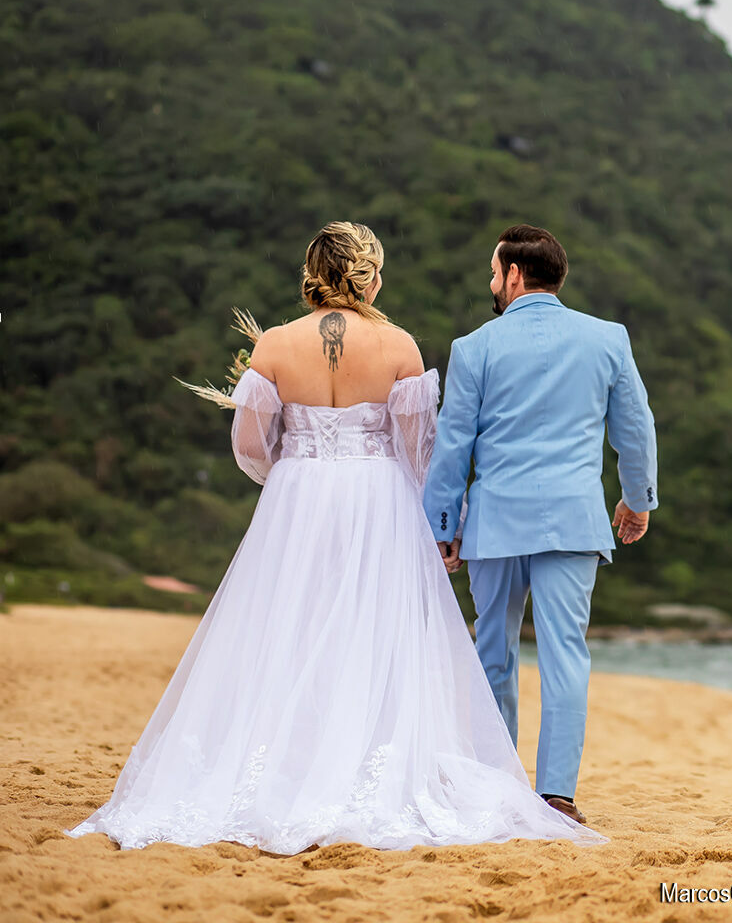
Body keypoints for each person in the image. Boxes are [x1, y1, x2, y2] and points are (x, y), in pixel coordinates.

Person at [66, 221, 605, 853]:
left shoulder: (272, 348)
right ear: (368, 274)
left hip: (298, 501)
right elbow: (422, 453)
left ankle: (288, 759)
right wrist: (437, 521)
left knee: (291, 625)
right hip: (378, 499)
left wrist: (293, 473)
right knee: (374, 631)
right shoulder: (400, 347)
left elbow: (248, 447)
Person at [425, 223, 657, 826]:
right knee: (565, 657)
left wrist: (443, 523)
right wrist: (638, 501)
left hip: (496, 522)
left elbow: (454, 444)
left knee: (492, 653)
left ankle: (499, 786)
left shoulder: (474, 347)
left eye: (494, 273)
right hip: (573, 521)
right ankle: (557, 795)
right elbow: (635, 428)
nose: (491, 283)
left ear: (515, 276)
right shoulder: (608, 339)